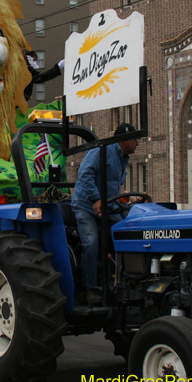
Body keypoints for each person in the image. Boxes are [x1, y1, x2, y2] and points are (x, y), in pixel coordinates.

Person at [71, 123, 138, 305]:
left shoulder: (124, 157)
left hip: (108, 206)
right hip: (86, 206)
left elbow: (112, 185)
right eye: (135, 139)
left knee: (127, 235)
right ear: (124, 139)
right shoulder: (101, 150)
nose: (137, 144)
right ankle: (90, 289)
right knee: (91, 242)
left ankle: (123, 281)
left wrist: (127, 197)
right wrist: (95, 199)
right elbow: (85, 174)